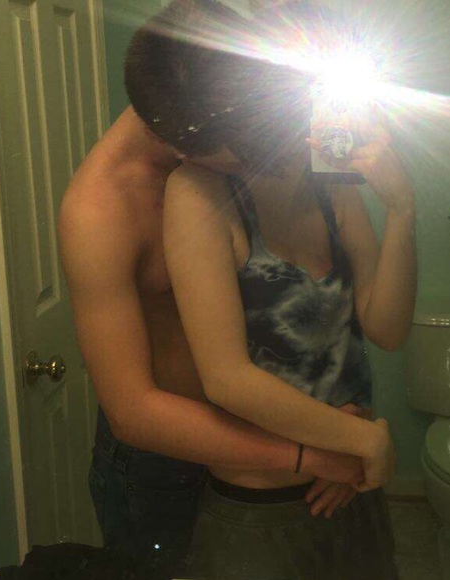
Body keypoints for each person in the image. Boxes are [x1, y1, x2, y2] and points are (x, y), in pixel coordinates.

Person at [58, 1, 370, 578]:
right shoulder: (100, 211)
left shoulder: (227, 117)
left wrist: (332, 421)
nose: (265, 161)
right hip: (165, 469)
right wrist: (312, 454)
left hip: (268, 439)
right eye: (242, 159)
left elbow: (311, 291)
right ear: (180, 146)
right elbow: (131, 410)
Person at [124, 1, 416, 577]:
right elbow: (227, 378)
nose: (256, 152)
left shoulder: (321, 168)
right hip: (261, 511)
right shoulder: (198, 193)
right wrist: (362, 441)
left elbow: (385, 328)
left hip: (352, 486)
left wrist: (402, 209)